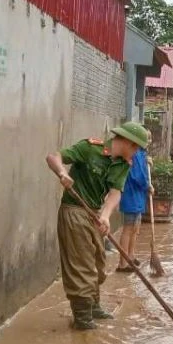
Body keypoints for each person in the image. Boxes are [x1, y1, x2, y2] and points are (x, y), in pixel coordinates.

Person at [45, 122, 150, 330]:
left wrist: (105, 215)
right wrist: (62, 173)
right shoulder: (89, 148)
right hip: (74, 210)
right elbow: (53, 157)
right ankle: (82, 318)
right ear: (127, 142)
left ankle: (93, 305)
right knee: (82, 265)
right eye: (136, 147)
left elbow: (115, 192)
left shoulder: (122, 164)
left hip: (94, 213)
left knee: (99, 264)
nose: (137, 153)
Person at [116, 146, 153, 273]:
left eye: (149, 139)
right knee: (128, 228)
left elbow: (142, 171)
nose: (148, 142)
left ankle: (130, 256)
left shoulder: (141, 153)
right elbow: (138, 176)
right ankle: (122, 263)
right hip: (131, 195)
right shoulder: (135, 153)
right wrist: (147, 186)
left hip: (137, 196)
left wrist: (147, 162)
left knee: (135, 228)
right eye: (146, 138)